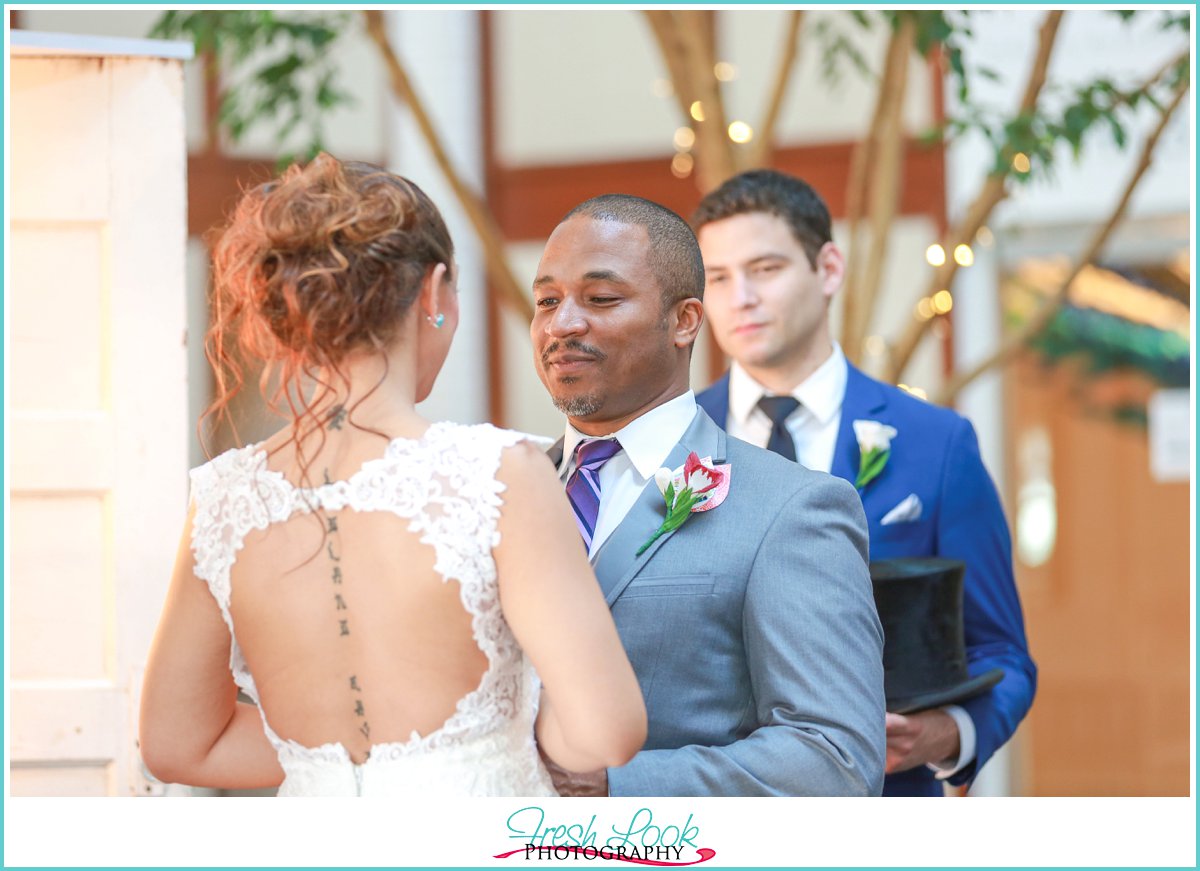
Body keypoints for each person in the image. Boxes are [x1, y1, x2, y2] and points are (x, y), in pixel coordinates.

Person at [139, 155, 646, 797]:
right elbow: (606, 733)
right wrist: (486, 743)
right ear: (434, 293)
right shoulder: (498, 474)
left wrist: (336, 764)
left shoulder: (221, 499)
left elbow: (180, 745)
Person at [692, 169, 1037, 797]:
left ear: (827, 268)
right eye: (717, 278)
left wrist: (944, 732)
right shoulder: (672, 442)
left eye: (765, 269)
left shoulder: (937, 445)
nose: (740, 296)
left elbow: (1003, 654)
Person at [529, 193, 885, 797]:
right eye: (547, 301)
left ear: (685, 320)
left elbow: (834, 760)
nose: (563, 324)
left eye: (601, 299)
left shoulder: (791, 509)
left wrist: (615, 786)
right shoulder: (496, 497)